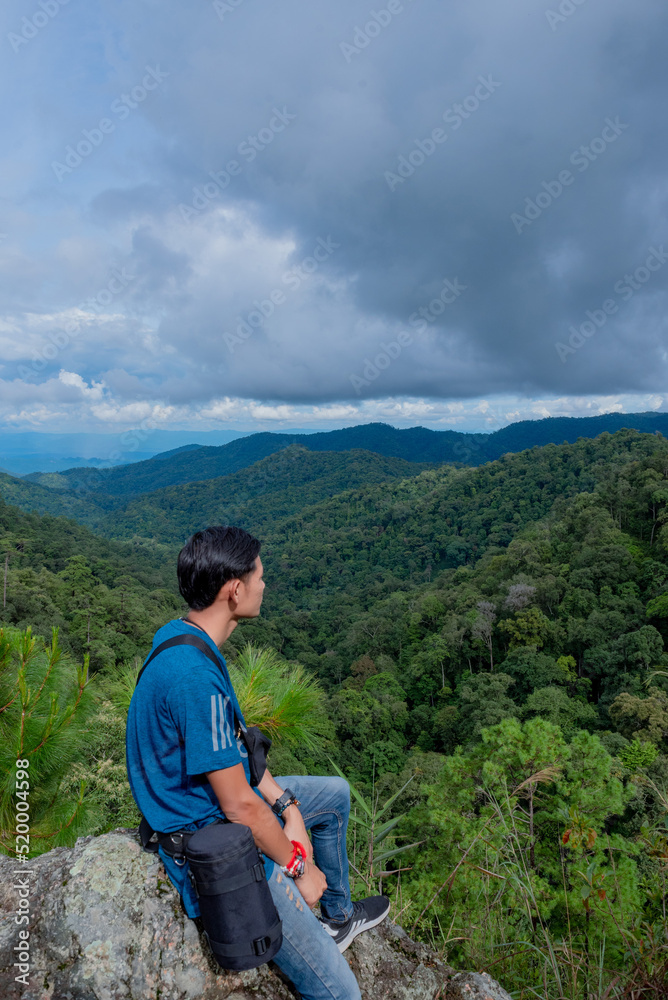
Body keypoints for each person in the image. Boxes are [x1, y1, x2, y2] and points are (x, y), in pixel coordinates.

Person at [126, 524, 390, 1000]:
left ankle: (334, 919)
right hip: (212, 843)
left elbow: (239, 752)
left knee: (333, 796)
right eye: (259, 576)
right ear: (234, 589)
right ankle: (318, 918)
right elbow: (240, 807)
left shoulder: (186, 637)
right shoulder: (192, 677)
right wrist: (297, 866)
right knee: (341, 993)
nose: (264, 585)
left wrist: (288, 806)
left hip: (218, 804)